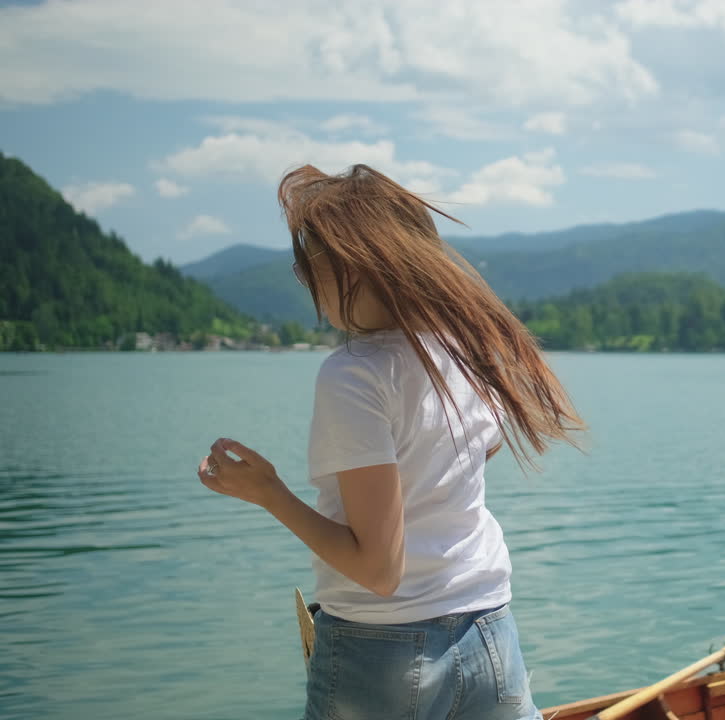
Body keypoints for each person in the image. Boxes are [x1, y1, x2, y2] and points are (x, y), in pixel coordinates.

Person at [195, 163, 582, 720]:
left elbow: (380, 572)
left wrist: (270, 493)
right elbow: (478, 449)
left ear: (360, 266)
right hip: (490, 632)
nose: (306, 283)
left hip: (383, 652)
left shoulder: (355, 373)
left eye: (313, 268)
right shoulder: (466, 354)